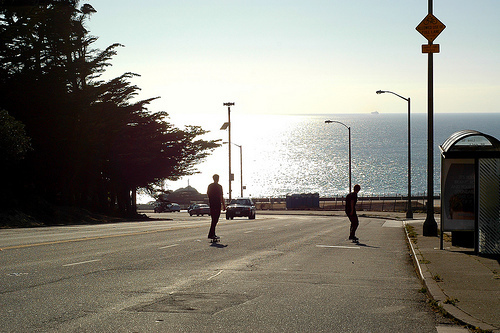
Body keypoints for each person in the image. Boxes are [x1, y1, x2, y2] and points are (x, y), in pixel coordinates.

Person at [207, 174, 226, 239]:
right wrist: (224, 205)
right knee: (215, 219)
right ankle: (211, 234)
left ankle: (212, 233)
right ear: (218, 179)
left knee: (213, 219)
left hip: (212, 204)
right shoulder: (219, 186)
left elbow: (208, 194)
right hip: (217, 204)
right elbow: (221, 196)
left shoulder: (210, 186)